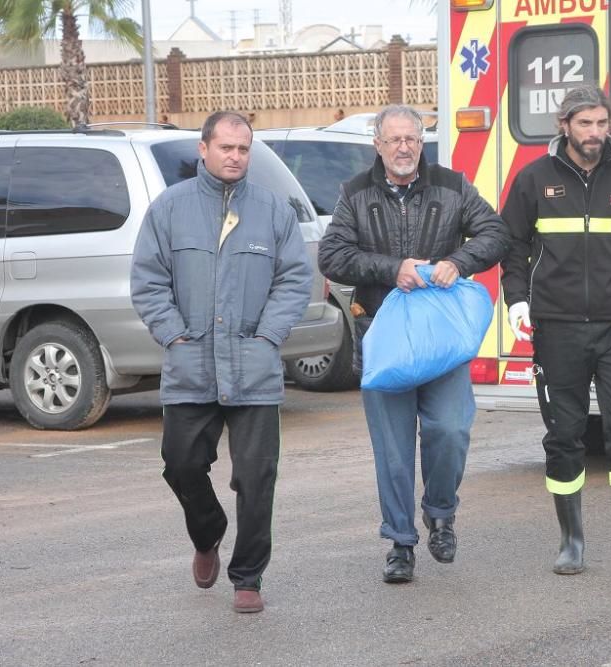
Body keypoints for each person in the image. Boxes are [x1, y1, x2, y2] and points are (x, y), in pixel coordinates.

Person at [131, 110, 312, 613]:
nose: (236, 157)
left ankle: (248, 576)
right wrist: (173, 335)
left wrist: (269, 335)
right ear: (203, 150)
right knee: (182, 464)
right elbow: (148, 281)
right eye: (227, 147)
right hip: (191, 365)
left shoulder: (273, 212)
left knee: (257, 477)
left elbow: (295, 280)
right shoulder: (170, 209)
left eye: (244, 149)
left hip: (254, 367)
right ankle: (207, 533)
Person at [318, 104, 509, 584]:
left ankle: (440, 513)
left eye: (413, 139)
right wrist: (393, 267)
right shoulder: (355, 193)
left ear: (421, 143)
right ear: (377, 145)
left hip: (441, 340)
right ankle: (400, 543)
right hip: (384, 339)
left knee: (450, 429)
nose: (404, 148)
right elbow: (333, 255)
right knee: (394, 451)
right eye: (395, 140)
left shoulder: (452, 185)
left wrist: (459, 261)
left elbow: (495, 232)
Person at [500, 84, 611, 577]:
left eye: (601, 123)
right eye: (585, 124)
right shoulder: (534, 180)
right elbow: (511, 247)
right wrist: (516, 301)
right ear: (564, 126)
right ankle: (572, 542)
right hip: (555, 330)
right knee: (565, 435)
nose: (595, 133)